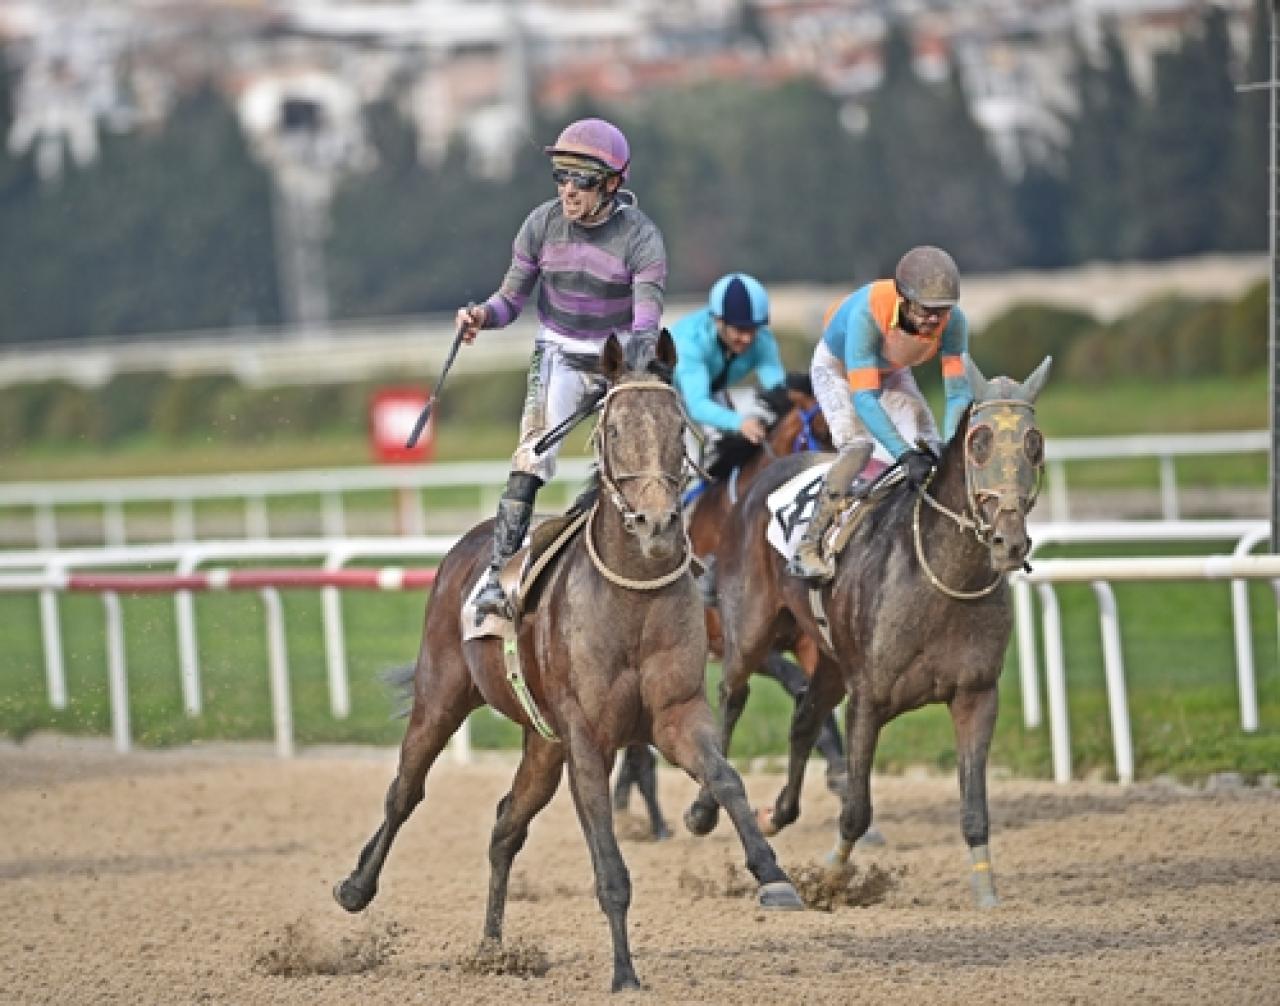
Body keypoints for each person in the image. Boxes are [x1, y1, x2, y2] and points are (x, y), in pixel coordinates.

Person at [455, 118, 667, 621]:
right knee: (532, 457)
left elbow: (647, 322)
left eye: (583, 179)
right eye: (561, 176)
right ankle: (495, 576)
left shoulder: (642, 239)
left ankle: (677, 558)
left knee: (660, 449)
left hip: (621, 355)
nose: (568, 189)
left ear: (613, 183)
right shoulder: (539, 225)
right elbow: (509, 300)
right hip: (559, 350)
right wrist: (482, 317)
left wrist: (631, 370)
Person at [789, 245, 972, 582]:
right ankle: (808, 545)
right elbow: (865, 399)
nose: (935, 320)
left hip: (892, 370)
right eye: (927, 310)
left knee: (930, 444)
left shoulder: (954, 322)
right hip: (839, 370)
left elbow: (958, 393)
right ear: (903, 297)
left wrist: (949, 445)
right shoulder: (867, 314)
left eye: (943, 310)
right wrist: (903, 455)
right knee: (860, 446)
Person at [671, 272, 786, 459]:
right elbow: (698, 405)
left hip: (710, 389)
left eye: (753, 329)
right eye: (740, 329)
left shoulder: (763, 341)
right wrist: (740, 423)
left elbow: (779, 390)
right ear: (718, 321)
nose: (748, 338)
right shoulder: (691, 343)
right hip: (672, 392)